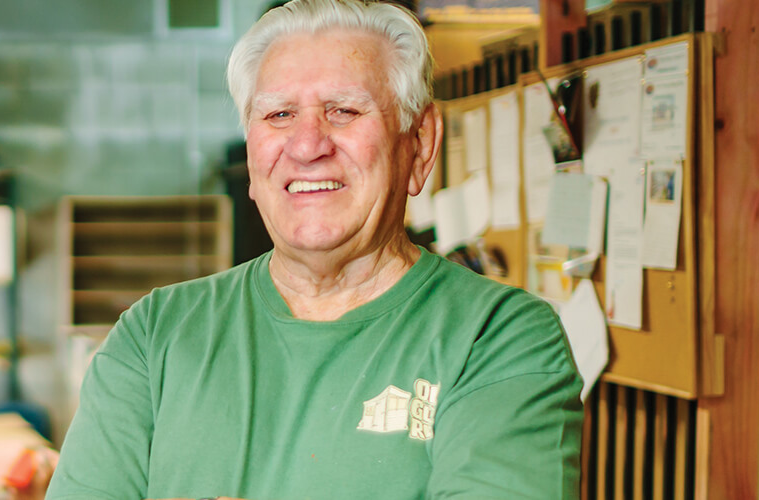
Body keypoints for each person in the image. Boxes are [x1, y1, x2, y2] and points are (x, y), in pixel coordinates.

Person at [45, 0, 584, 498]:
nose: (307, 145)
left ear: (419, 145)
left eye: (344, 110)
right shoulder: (154, 335)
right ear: (251, 157)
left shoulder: (499, 338)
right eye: (279, 115)